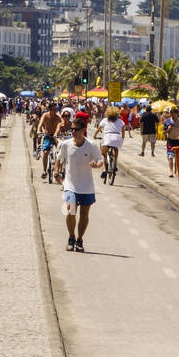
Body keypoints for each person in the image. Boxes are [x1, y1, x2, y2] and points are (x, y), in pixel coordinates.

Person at [57, 113, 103, 252]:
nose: (73, 131)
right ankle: (71, 237)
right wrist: (56, 173)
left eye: (76, 129)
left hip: (87, 187)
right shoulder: (66, 144)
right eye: (72, 129)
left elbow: (100, 160)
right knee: (70, 212)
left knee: (84, 215)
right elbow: (59, 159)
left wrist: (97, 165)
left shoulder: (92, 145)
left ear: (83, 130)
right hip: (70, 185)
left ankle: (79, 239)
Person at [94, 106, 125, 183]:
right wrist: (122, 138)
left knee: (103, 154)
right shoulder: (120, 121)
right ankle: (115, 165)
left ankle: (104, 169)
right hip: (117, 137)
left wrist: (95, 136)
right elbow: (123, 131)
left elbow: (99, 129)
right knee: (116, 148)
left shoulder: (105, 120)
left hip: (108, 137)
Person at [163, 109, 179, 178]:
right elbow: (164, 132)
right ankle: (171, 172)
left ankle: (176, 171)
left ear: (177, 114)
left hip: (177, 141)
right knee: (170, 156)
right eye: (171, 113)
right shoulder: (167, 121)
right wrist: (168, 129)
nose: (172, 115)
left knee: (177, 158)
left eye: (174, 113)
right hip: (170, 140)